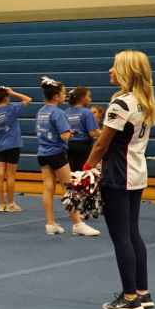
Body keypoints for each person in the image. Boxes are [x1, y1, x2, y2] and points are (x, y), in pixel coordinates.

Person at [82, 51, 155, 309]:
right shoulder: (144, 102)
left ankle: (129, 297)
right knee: (133, 233)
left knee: (121, 237)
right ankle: (142, 291)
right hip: (137, 172)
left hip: (117, 174)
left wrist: (86, 168)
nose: (110, 70)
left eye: (115, 67)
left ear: (127, 71)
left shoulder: (121, 104)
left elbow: (103, 143)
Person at [36, 77, 100, 238]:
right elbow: (64, 135)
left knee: (48, 188)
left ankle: (50, 224)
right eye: (64, 93)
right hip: (56, 153)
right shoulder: (57, 113)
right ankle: (78, 224)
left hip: (43, 153)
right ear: (56, 96)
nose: (66, 96)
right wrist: (69, 134)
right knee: (69, 188)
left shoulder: (41, 111)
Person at [0, 85, 31, 212]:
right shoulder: (11, 108)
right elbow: (28, 99)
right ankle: (10, 204)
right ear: (6, 98)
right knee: (10, 175)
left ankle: (0, 204)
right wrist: (13, 92)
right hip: (13, 144)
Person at [64, 86, 100, 173]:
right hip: (84, 146)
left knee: (73, 172)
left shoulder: (66, 112)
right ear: (82, 98)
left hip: (70, 145)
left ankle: (73, 186)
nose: (90, 99)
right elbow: (92, 134)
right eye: (88, 96)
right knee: (85, 173)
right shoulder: (87, 112)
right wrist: (100, 133)